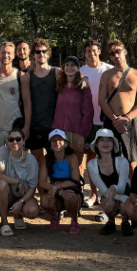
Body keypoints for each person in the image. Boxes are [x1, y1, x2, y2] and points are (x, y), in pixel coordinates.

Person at [97, 40, 137, 167]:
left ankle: (132, 181)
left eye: (118, 51)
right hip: (111, 121)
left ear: (125, 52)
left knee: (132, 162)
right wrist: (115, 120)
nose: (116, 55)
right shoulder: (106, 75)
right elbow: (101, 101)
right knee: (111, 162)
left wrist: (127, 118)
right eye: (112, 54)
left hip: (130, 122)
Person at [53, 56, 93, 204]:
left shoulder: (83, 87)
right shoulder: (59, 85)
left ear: (78, 68)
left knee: (76, 168)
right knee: (61, 167)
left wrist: (82, 135)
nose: (69, 68)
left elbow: (88, 113)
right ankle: (61, 201)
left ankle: (76, 199)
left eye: (73, 65)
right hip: (59, 133)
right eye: (67, 65)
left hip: (76, 133)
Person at [79, 39, 113, 206]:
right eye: (88, 51)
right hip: (88, 121)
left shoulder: (109, 69)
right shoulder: (81, 71)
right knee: (91, 158)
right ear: (85, 53)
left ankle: (108, 194)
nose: (91, 54)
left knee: (108, 158)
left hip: (106, 119)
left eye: (94, 50)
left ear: (99, 51)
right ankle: (93, 194)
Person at [0, 127, 40, 236]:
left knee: (33, 211)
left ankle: (18, 214)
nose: (14, 142)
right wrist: (18, 181)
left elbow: (33, 187)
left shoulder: (31, 160)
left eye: (18, 139)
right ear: (8, 141)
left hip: (23, 194)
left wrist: (21, 202)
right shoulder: (3, 151)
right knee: (0, 184)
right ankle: (4, 222)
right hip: (7, 193)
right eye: (11, 139)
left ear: (23, 141)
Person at [86, 128, 131, 236]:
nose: (105, 143)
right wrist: (124, 199)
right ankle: (111, 222)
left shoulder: (122, 161)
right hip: (108, 195)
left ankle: (125, 222)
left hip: (125, 192)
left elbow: (122, 188)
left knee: (126, 206)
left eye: (109, 140)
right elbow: (104, 190)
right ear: (96, 144)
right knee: (108, 204)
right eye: (102, 140)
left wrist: (115, 188)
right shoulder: (92, 164)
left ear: (113, 144)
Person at [21, 38, 59, 165]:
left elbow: (76, 76)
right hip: (35, 126)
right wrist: (26, 127)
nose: (41, 54)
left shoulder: (57, 72)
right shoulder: (27, 77)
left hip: (54, 125)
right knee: (38, 161)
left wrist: (84, 78)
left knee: (55, 160)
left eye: (44, 51)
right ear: (33, 55)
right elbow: (27, 103)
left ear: (48, 54)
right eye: (38, 52)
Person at [37, 129, 83, 234]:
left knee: (71, 197)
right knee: (44, 201)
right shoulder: (46, 158)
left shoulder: (72, 157)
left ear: (65, 143)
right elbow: (42, 182)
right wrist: (59, 191)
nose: (57, 143)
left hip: (69, 186)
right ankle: (55, 216)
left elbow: (75, 180)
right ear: (50, 144)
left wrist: (57, 187)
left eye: (60, 140)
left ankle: (74, 220)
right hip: (55, 187)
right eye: (53, 140)